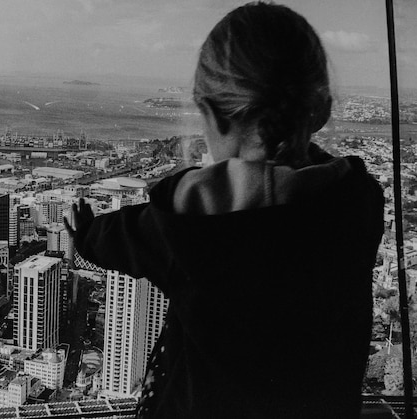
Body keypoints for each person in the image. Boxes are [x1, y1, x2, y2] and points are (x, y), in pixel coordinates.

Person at [65, 2, 384, 418]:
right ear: (319, 110)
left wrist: (86, 233)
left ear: (213, 115)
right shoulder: (355, 199)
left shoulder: (199, 216)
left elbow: (122, 236)